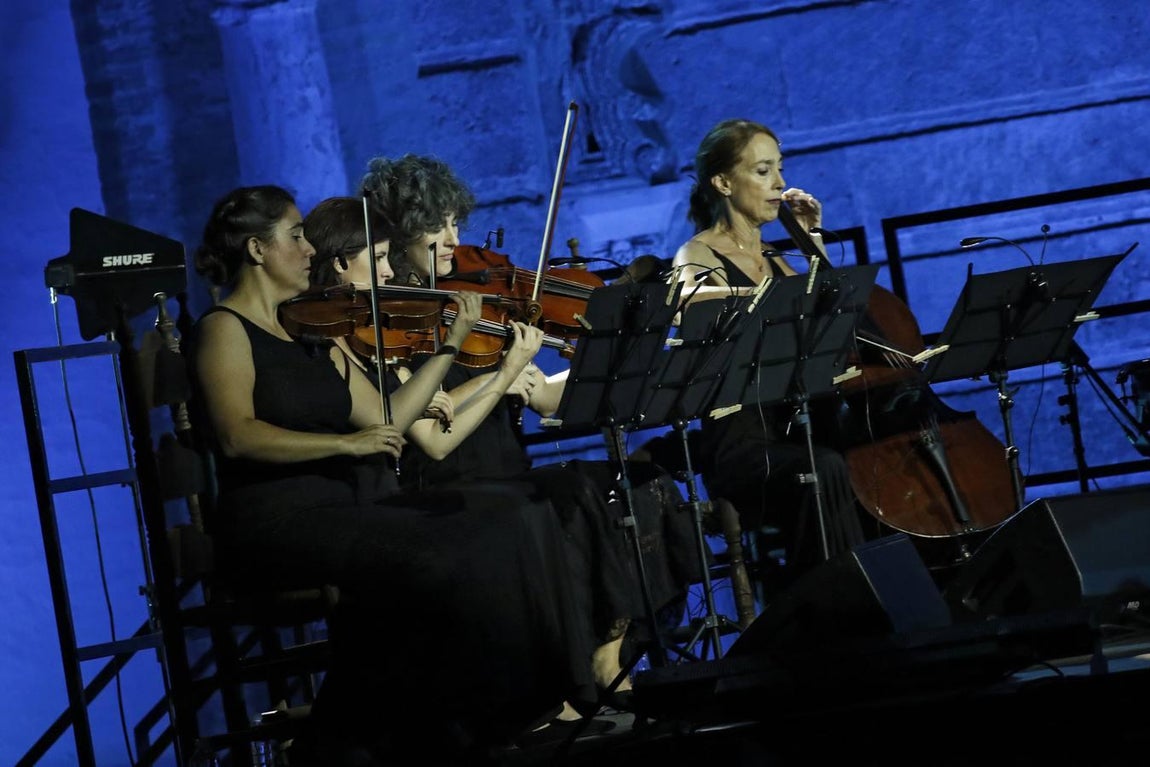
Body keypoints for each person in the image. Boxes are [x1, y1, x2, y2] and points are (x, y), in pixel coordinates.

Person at [188, 184, 600, 765]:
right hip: (277, 523)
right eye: (297, 236)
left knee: (512, 516)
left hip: (345, 512)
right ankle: (453, 724)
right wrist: (344, 442)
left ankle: (547, 695)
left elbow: (390, 418)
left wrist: (450, 347)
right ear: (257, 249)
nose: (310, 249)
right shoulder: (223, 328)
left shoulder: (311, 331)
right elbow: (238, 434)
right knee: (444, 554)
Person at [355, 154, 703, 689]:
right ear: (397, 233)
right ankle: (587, 668)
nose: (453, 239)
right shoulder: (386, 322)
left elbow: (544, 400)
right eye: (437, 225)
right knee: (577, 494)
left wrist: (617, 361)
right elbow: (429, 439)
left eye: (455, 223)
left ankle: (615, 646)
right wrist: (500, 374)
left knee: (643, 485)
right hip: (448, 485)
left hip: (507, 470)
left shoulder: (472, 307)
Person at [670, 117, 868, 585]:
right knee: (825, 467)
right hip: (745, 447)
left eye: (779, 168)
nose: (780, 183)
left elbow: (825, 322)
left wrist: (809, 239)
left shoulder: (780, 258)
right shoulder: (695, 256)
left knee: (866, 455)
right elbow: (693, 315)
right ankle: (826, 604)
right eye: (763, 171)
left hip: (798, 431)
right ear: (723, 182)